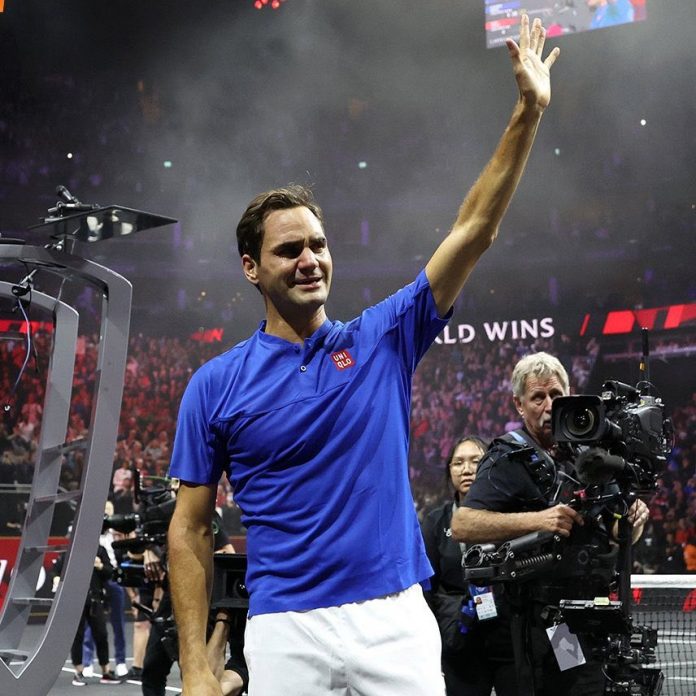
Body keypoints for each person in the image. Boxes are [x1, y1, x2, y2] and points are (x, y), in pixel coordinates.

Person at [168, 14, 561, 696]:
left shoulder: (382, 338)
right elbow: (190, 531)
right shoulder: (214, 384)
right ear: (251, 269)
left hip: (394, 617)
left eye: (317, 244)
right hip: (285, 626)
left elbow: (474, 228)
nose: (310, 259)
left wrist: (528, 112)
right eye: (288, 249)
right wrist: (198, 668)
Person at [451, 352, 650, 695]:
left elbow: (618, 531)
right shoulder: (506, 456)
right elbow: (463, 524)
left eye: (556, 396)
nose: (548, 405)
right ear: (519, 404)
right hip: (534, 618)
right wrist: (539, 520)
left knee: (580, 687)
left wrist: (634, 519)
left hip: (584, 615)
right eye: (537, 397)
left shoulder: (587, 455)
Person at [422, 435, 517, 696]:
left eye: (476, 461)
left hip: (506, 634)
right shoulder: (436, 522)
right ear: (449, 471)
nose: (466, 469)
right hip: (460, 636)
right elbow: (427, 589)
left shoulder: (511, 517)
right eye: (458, 463)